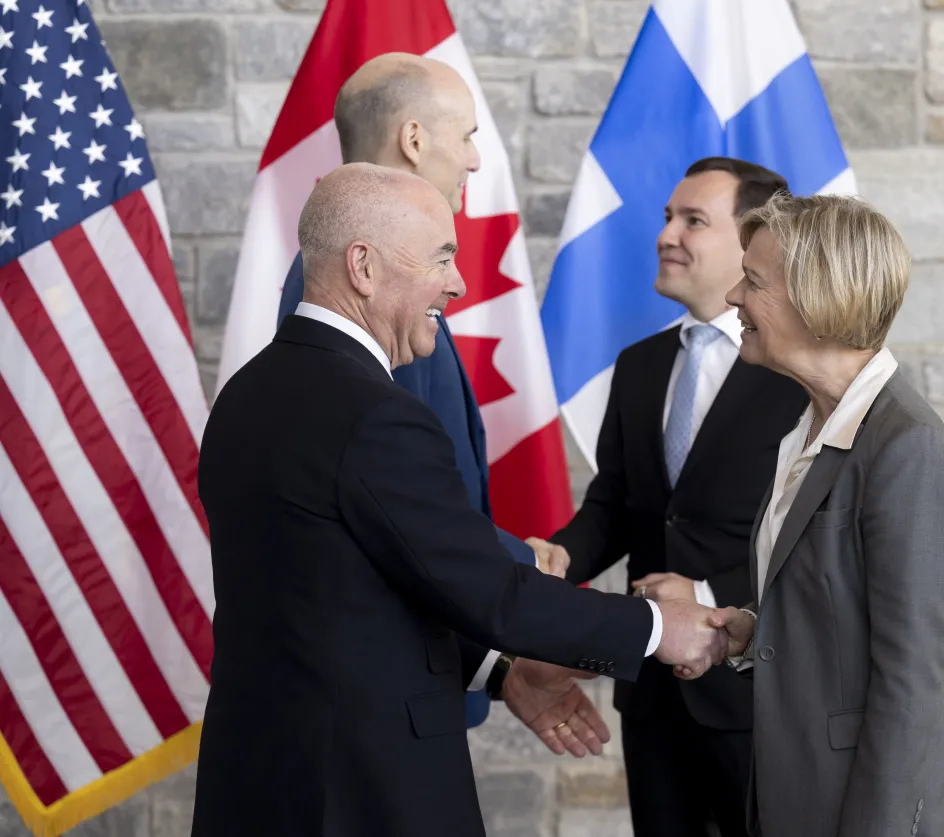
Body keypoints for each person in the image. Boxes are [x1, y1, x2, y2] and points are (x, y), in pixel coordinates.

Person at [194, 163, 734, 837]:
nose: (457, 282)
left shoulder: (244, 396)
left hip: (256, 783)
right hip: (358, 793)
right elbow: (493, 593)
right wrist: (657, 626)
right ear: (363, 265)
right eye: (441, 258)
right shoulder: (373, 415)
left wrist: (500, 672)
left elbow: (341, 596)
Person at [274, 53, 563, 729]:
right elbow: (395, 502)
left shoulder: (378, 275)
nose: (472, 162)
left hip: (420, 656)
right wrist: (520, 562)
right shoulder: (360, 294)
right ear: (412, 139)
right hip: (386, 687)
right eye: (465, 136)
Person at [526, 158, 807, 837]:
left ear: (753, 242)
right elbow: (617, 503)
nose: (666, 234)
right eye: (666, 218)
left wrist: (707, 597)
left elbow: (814, 538)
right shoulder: (641, 365)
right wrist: (563, 553)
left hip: (756, 693)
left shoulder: (802, 374)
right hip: (650, 696)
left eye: (693, 220)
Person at [717, 194, 944, 836]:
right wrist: (753, 631)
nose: (732, 297)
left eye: (752, 281)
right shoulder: (808, 425)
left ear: (817, 297)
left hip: (866, 811)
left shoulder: (905, 444)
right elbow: (838, 617)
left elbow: (912, 679)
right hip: (796, 794)